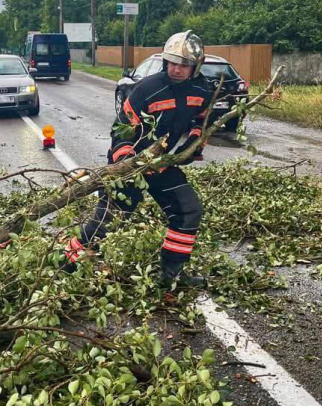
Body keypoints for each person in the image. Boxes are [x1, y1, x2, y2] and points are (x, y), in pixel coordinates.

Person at [63, 30, 214, 288]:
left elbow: (204, 118)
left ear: (196, 67)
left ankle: (171, 276)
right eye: (172, 63)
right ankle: (66, 264)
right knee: (110, 221)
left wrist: (194, 143)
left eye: (183, 65)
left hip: (161, 164)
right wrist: (127, 164)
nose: (176, 69)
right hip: (129, 164)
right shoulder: (148, 89)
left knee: (188, 211)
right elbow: (121, 128)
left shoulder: (202, 89)